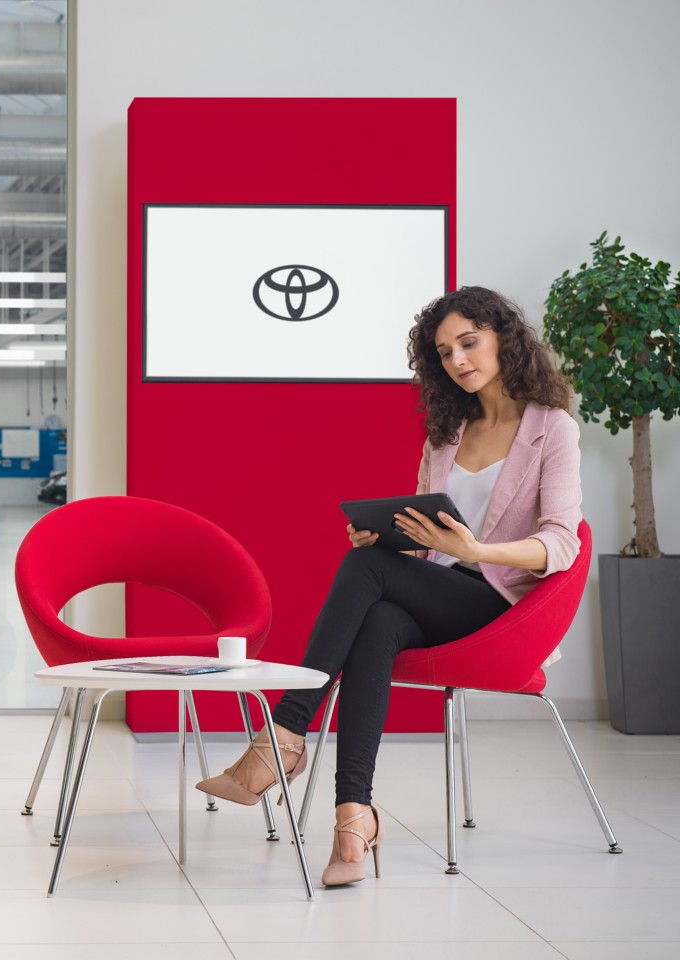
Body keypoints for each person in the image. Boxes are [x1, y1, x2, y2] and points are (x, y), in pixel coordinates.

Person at [197, 286, 581, 886]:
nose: (458, 360)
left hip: (500, 608)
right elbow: (431, 542)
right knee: (374, 614)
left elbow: (561, 542)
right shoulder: (446, 435)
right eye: (445, 351)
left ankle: (284, 737)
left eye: (469, 342)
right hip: (442, 593)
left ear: (505, 337)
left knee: (364, 576)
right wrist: (389, 541)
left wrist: (477, 551)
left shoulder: (551, 428)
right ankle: (355, 815)